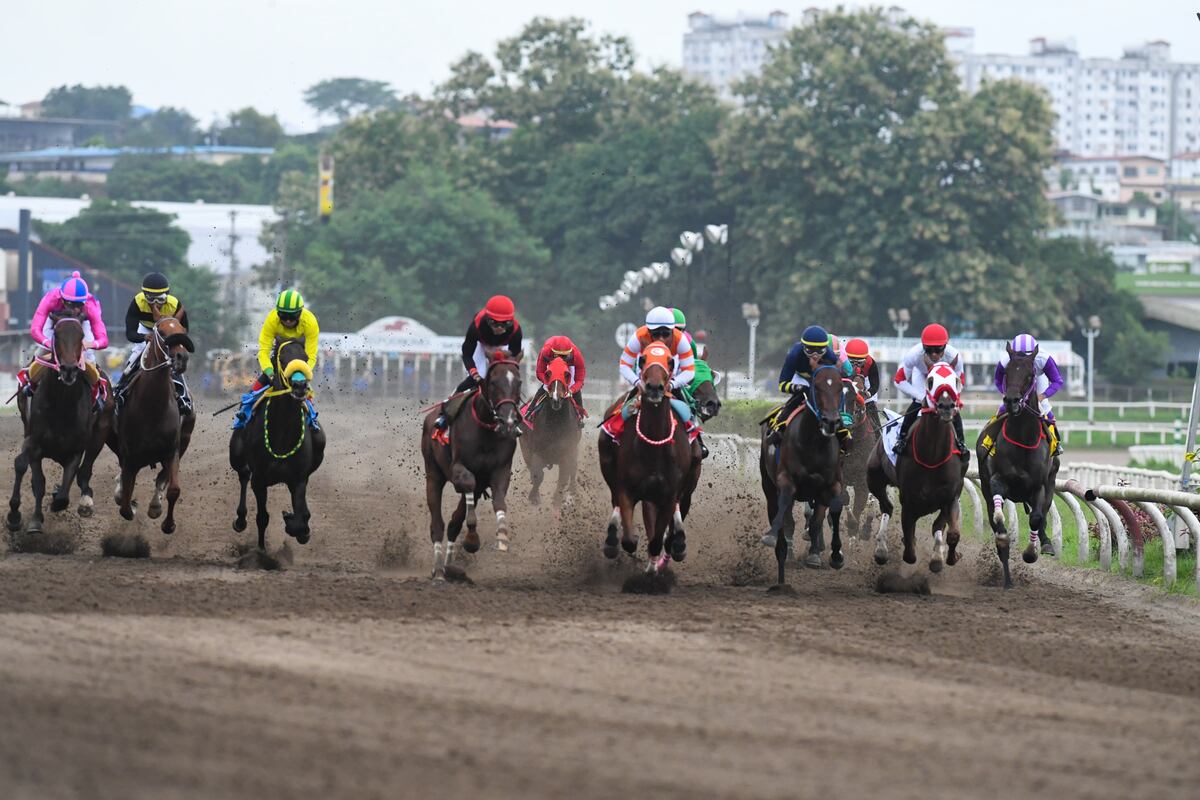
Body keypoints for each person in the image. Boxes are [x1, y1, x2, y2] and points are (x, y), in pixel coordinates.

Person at [602, 305, 702, 451]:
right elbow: (624, 364)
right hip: (644, 380)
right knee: (625, 408)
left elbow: (690, 370)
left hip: (670, 381)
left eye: (665, 333)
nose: (660, 338)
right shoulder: (639, 336)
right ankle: (611, 434)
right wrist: (637, 382)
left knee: (687, 410)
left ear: (672, 331)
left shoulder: (680, 339)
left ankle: (696, 444)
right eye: (655, 334)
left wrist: (672, 385)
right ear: (648, 331)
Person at [232, 289, 319, 430]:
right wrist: (269, 372)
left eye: (292, 316)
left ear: (300, 313)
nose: (288, 320)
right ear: (277, 312)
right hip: (279, 358)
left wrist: (302, 374)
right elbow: (264, 351)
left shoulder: (310, 322)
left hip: (301, 360)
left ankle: (313, 422)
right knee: (250, 394)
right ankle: (241, 420)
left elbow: (311, 355)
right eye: (283, 315)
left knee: (306, 395)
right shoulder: (272, 319)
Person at [18, 271, 109, 406]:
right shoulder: (50, 299)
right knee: (39, 353)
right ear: (61, 299)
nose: (75, 309)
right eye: (70, 304)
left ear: (84, 301)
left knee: (90, 359)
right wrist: (50, 343)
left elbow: (103, 340)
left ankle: (96, 391)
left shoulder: (91, 306)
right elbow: (35, 330)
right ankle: (29, 383)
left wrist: (89, 345)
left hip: (80, 324)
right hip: (55, 321)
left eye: (79, 305)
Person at [434, 295, 522, 430]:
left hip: (504, 349)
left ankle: (514, 417)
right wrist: (474, 373)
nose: (499, 328)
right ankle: (445, 414)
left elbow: (514, 355)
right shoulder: (476, 326)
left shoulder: (516, 330)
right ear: (488, 320)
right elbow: (467, 352)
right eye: (494, 323)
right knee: (478, 377)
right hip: (482, 346)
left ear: (511, 321)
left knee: (506, 380)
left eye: (504, 324)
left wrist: (504, 359)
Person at [113, 271, 193, 415]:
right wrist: (144, 337)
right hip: (145, 329)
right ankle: (120, 390)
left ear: (167, 295)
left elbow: (184, 330)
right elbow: (130, 333)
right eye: (150, 298)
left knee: (174, 358)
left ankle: (184, 397)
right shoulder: (137, 302)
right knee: (136, 354)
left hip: (167, 331)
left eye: (160, 299)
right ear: (144, 295)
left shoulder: (174, 304)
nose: (156, 303)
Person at [766, 325, 854, 447]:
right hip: (800, 378)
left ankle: (841, 427)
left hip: (818, 378)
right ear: (803, 347)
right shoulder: (794, 355)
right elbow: (782, 385)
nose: (815, 355)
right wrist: (798, 388)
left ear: (825, 348)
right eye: (810, 350)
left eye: (819, 351)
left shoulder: (830, 355)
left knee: (833, 392)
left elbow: (836, 376)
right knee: (803, 394)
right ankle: (779, 425)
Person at [892, 323, 968, 462]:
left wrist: (955, 399)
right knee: (917, 403)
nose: (934, 354)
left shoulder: (954, 356)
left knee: (953, 407)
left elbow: (960, 380)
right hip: (921, 375)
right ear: (923, 347)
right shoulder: (913, 354)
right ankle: (901, 440)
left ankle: (961, 443)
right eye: (929, 350)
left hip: (944, 380)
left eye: (938, 350)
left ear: (945, 346)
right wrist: (922, 397)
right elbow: (898, 380)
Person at [983, 333, 1064, 457]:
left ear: (1034, 353)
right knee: (1003, 409)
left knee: (1047, 411)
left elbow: (1057, 381)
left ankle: (1055, 444)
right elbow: (998, 380)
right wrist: (1006, 393)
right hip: (1016, 382)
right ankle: (989, 441)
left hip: (1037, 379)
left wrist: (1043, 396)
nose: (1022, 360)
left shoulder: (1043, 358)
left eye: (1026, 357)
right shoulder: (1005, 360)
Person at [528, 335, 587, 428]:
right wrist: (548, 383)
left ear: (570, 353)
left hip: (568, 369)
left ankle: (580, 417)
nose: (560, 358)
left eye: (564, 356)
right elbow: (540, 372)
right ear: (552, 352)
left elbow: (579, 380)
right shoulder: (546, 351)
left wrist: (572, 390)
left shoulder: (576, 355)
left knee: (575, 391)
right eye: (558, 355)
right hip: (551, 366)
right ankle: (530, 412)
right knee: (544, 388)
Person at [844, 337, 883, 432]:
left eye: (860, 362)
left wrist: (867, 394)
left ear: (866, 358)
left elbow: (875, 385)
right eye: (852, 362)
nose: (856, 366)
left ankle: (878, 433)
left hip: (866, 382)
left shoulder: (871, 363)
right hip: (847, 379)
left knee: (871, 410)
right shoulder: (841, 362)